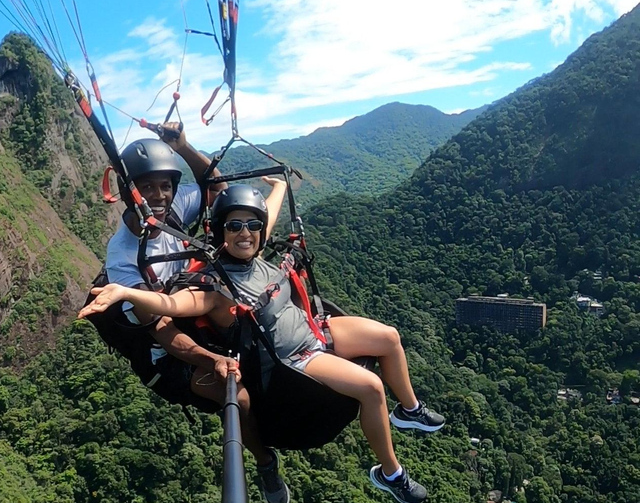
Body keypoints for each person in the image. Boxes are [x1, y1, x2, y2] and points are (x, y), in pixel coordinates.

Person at [81, 185, 445, 503]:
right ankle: (390, 473)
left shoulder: (255, 251)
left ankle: (408, 411)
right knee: (371, 387)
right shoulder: (215, 285)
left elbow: (266, 215)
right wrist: (127, 291)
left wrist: (278, 184)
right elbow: (173, 305)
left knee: (389, 337)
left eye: (252, 225)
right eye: (235, 225)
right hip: (296, 358)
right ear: (221, 231)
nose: (246, 233)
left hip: (314, 329)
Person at [100, 137, 291, 503]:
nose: (158, 195)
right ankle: (266, 465)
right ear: (129, 192)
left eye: (165, 186)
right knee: (241, 398)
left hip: (191, 309)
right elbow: (162, 332)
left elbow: (218, 189)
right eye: (147, 187)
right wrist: (214, 361)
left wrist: (183, 146)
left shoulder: (170, 209)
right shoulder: (124, 257)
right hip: (167, 355)